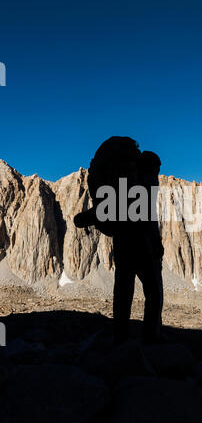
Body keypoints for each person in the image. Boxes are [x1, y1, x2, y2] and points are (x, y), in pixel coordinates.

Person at [74, 137, 164, 345]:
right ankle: (151, 335)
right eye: (157, 169)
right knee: (153, 291)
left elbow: (109, 209)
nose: (158, 173)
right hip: (142, 245)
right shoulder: (144, 184)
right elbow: (148, 218)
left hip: (123, 243)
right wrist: (156, 242)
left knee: (124, 291)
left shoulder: (127, 183)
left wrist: (84, 218)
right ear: (150, 166)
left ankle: (121, 335)